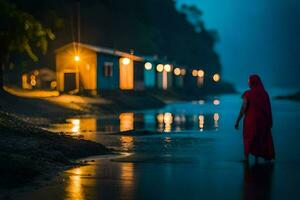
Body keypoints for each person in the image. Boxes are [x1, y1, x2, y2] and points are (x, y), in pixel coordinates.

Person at [235, 74, 275, 163]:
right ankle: (256, 159)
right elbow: (268, 108)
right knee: (258, 139)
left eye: (249, 81)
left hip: (251, 121)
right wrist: (269, 121)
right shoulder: (265, 94)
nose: (248, 83)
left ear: (252, 82)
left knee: (248, 138)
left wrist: (238, 120)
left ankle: (246, 159)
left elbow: (243, 108)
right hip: (262, 122)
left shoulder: (248, 94)